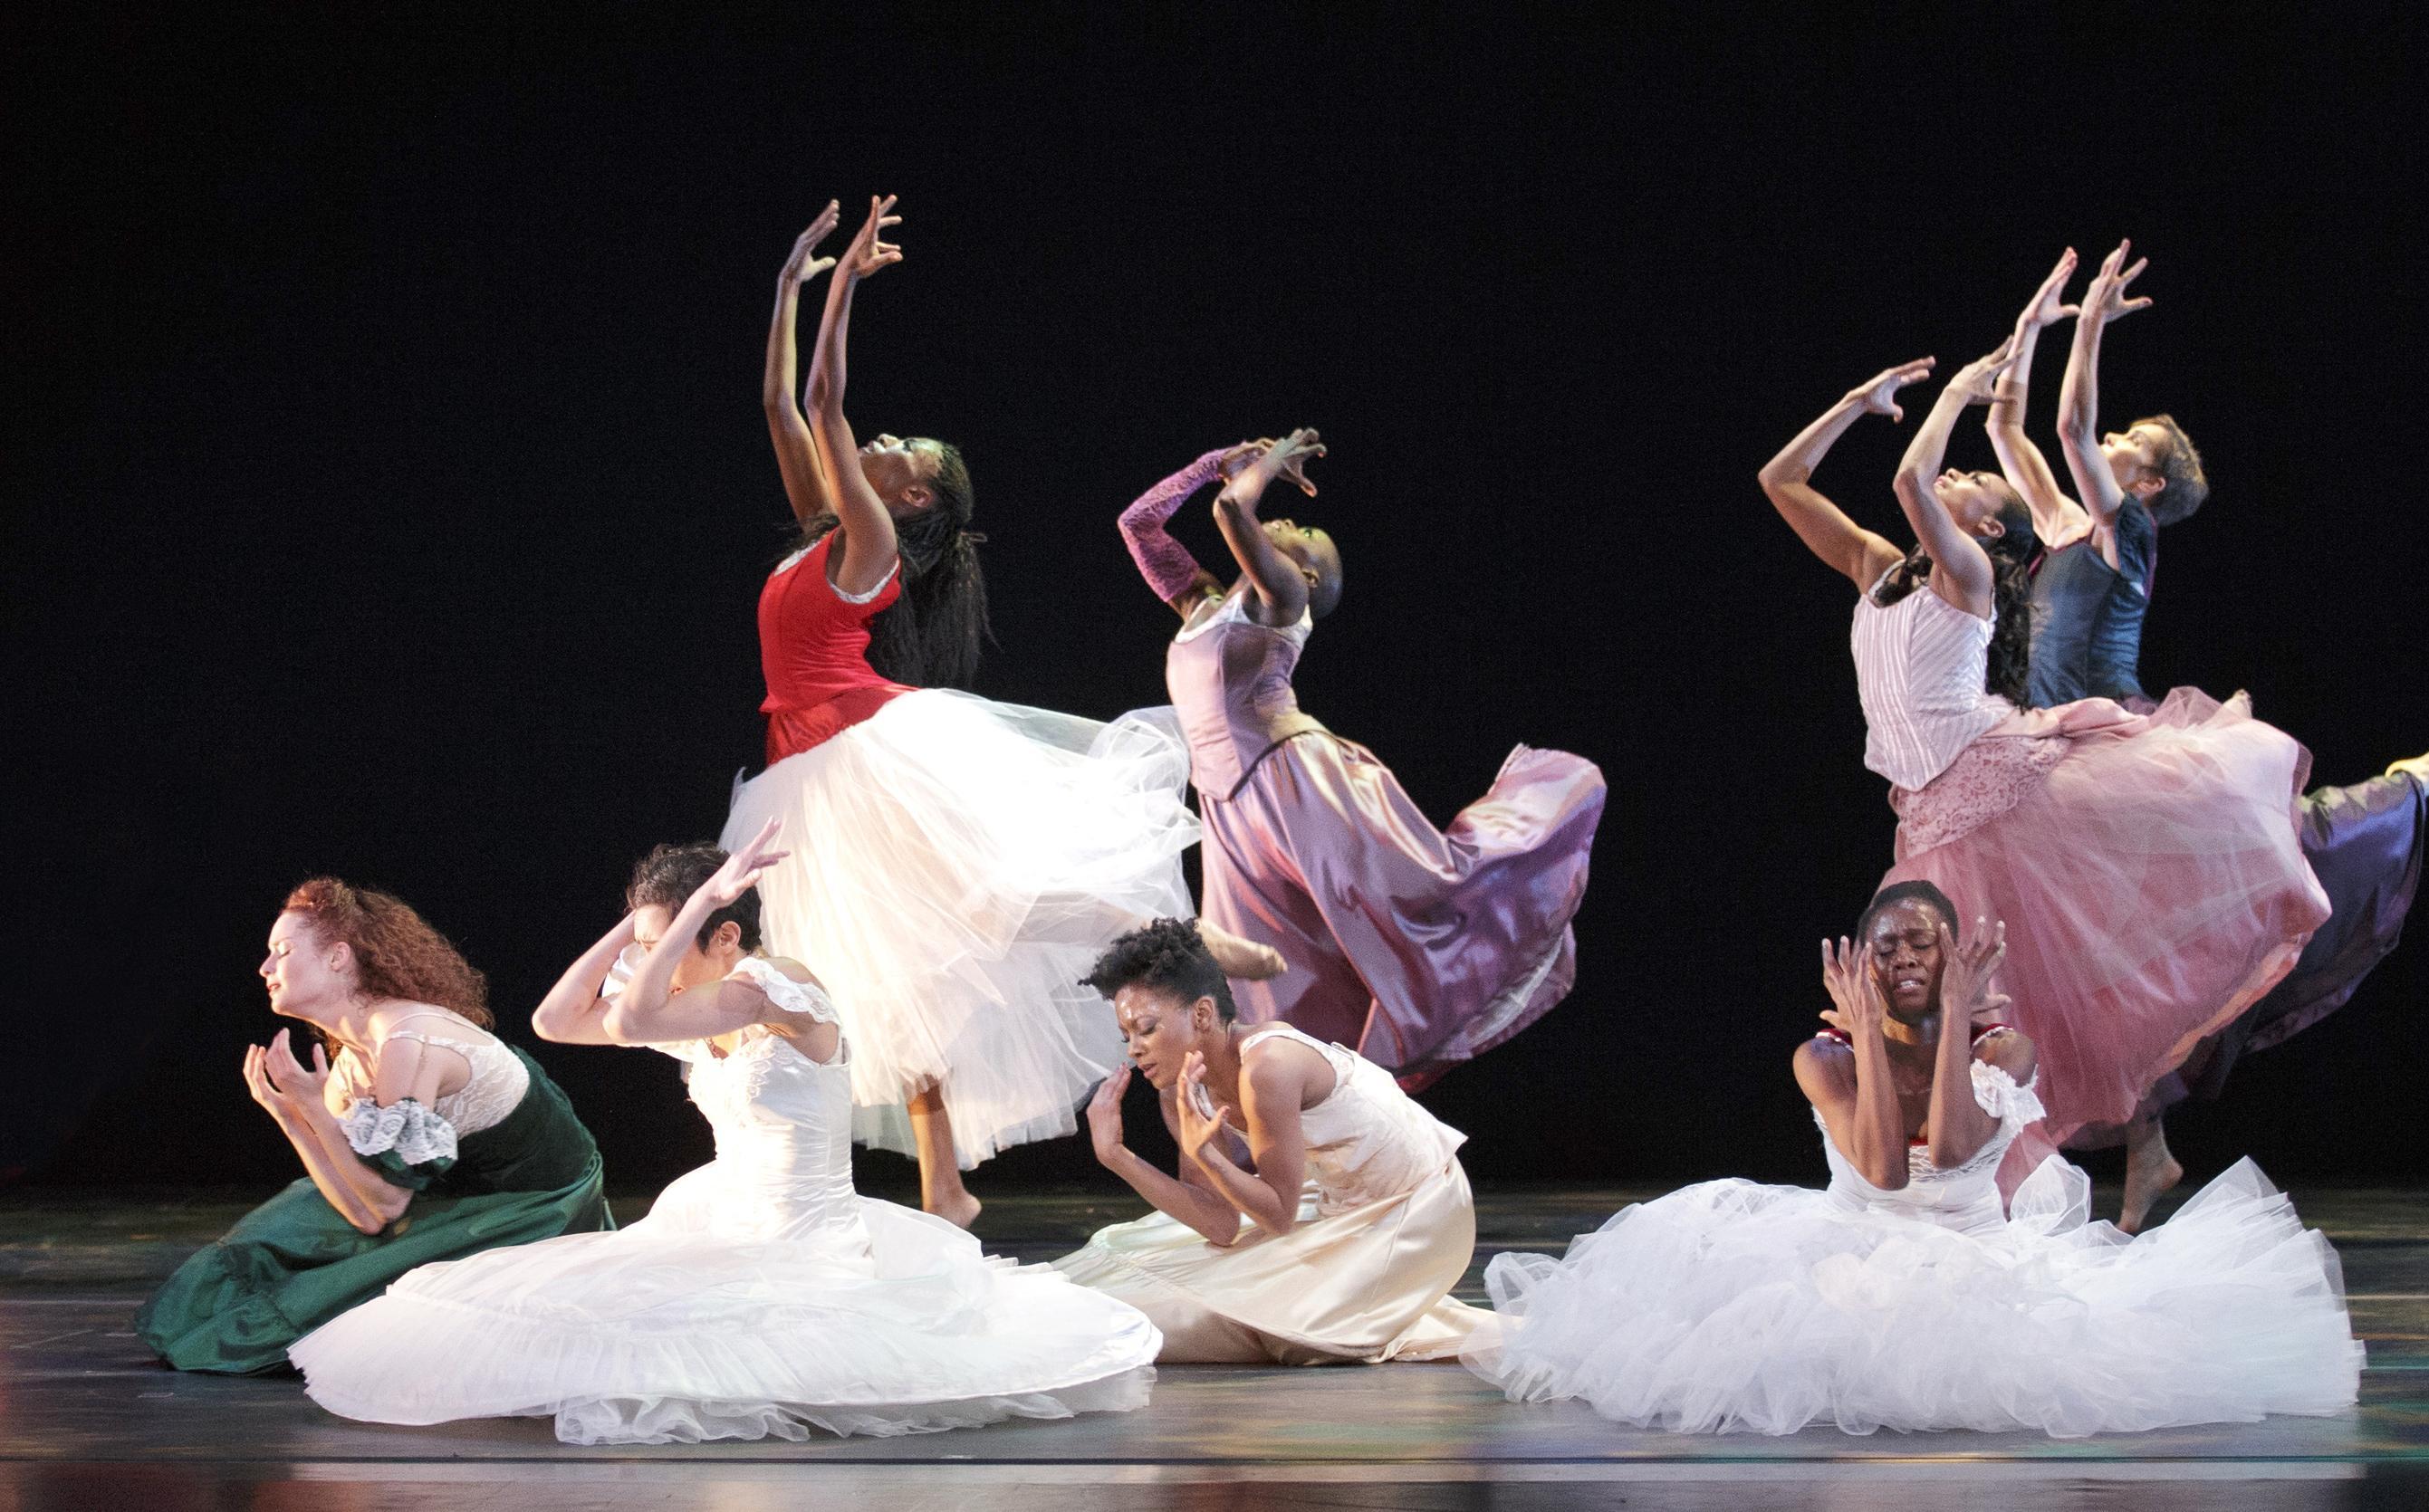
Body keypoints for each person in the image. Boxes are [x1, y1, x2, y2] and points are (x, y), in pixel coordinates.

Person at [723, 197, 1272, 1225]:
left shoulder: (868, 546)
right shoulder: (817, 531)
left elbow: (832, 408)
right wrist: (790, 287)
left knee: (986, 909)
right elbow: (782, 407)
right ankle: (946, 1189)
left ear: (915, 500)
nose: (883, 441)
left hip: (867, 753)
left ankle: (1176, 933)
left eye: (906, 451)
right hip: (805, 771)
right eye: (890, 440)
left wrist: (845, 291)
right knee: (889, 971)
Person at [289, 829, 1164, 1445]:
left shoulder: (774, 987)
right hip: (717, 1216)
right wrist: (641, 919)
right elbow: (557, 1020)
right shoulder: (699, 1005)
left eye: (667, 944)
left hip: (804, 1233)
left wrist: (696, 902)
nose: (646, 962)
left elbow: (631, 1016)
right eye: (645, 947)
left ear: (729, 934)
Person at [1757, 342, 2333, 1216]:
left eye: (1977, 484)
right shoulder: (1879, 571)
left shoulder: (1971, 576)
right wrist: (1850, 402)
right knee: (1926, 1001)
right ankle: (1940, 1188)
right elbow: (1782, 481)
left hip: (2007, 800)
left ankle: (1995, 1195)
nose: (1957, 474)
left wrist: (1953, 392)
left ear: (1989, 530)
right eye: (1969, 471)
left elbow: (1913, 486)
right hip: (1932, 818)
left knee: (1989, 1003)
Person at [1465, 882, 2363, 1438]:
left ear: (1957, 956)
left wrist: (1953, 1025)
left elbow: (1963, 1146)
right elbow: (1887, 1171)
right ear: (1860, 959)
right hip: (1851, 1241)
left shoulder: (2006, 1050)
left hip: (1981, 1251)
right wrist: (1863, 1031)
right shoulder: (1825, 1055)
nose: (1900, 957)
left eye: (1921, 943)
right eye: (1884, 944)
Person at [1983, 244, 2429, 1223]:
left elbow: (2071, 422)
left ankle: (2406, 786)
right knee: (2109, 958)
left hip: (2118, 745)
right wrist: (2037, 322)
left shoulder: (2130, 530)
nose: (2110, 438)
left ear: (2151, 481)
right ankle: (2150, 1144)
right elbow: (2011, 419)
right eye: (2121, 432)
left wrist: (2090, 325)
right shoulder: (2055, 525)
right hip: (2049, 758)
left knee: (2275, 852)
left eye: (2133, 438)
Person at [1113, 432, 1605, 1084]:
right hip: (1229, 808)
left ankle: (1479, 932)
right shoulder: (1201, 604)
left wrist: (1258, 471)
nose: (1292, 520)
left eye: (1308, 532)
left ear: (1309, 575)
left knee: (1392, 919)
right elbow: (1138, 524)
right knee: (1279, 971)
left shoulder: (1281, 599)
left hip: (1297, 783)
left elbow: (1232, 513)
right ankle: (1307, 1128)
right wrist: (1211, 465)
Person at [133, 881, 610, 1373]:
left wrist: (316, 1111)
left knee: (341, 1300)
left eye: (283, 951)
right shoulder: (347, 1072)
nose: (266, 967)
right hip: (460, 1190)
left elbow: (385, 1203)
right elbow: (366, 1212)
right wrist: (294, 1118)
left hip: (539, 1205)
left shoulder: (407, 1039)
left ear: (338, 957)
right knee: (275, 1235)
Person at [1052, 920, 1485, 1363]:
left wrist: (1209, 1157)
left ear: (1202, 1014)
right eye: (1128, 1037)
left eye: (1147, 1029)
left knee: (1290, 1330)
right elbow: (1218, 1223)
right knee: (1172, 1284)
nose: (1134, 1050)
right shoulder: (1178, 1088)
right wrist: (1116, 1156)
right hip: (1339, 1200)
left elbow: (1277, 1215)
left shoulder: (1268, 1065)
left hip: (1418, 1206)